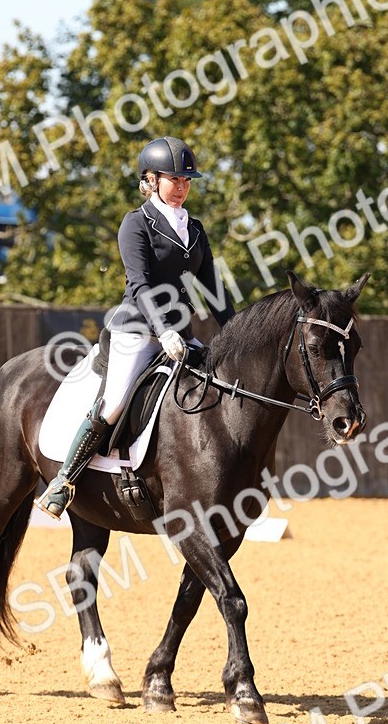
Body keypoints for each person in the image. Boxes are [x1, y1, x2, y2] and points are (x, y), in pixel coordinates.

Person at [36, 135, 237, 519]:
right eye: (173, 179)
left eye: (186, 181)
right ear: (151, 179)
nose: (181, 187)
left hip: (182, 334)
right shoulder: (136, 224)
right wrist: (163, 331)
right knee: (112, 404)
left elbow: (214, 288)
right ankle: (64, 481)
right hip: (138, 331)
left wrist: (236, 333)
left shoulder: (194, 229)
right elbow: (140, 284)